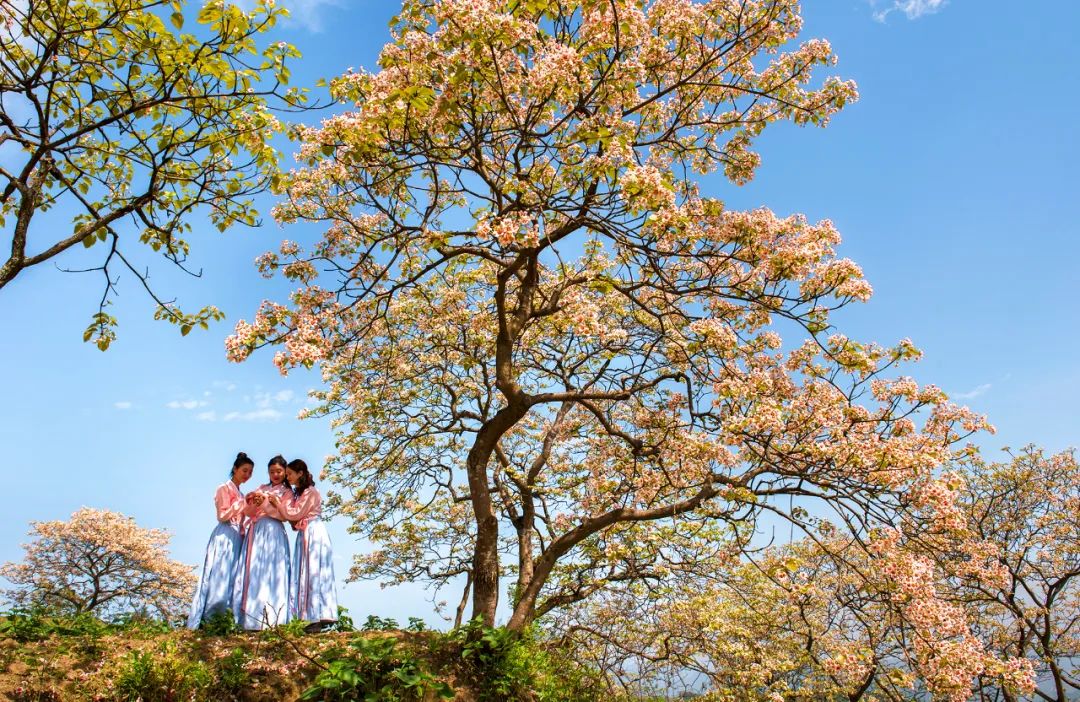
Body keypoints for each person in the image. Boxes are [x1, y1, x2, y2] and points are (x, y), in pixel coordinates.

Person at [267, 458, 338, 631]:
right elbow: (295, 517)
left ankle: (318, 614)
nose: (288, 477)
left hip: (313, 532)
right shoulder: (302, 493)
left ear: (300, 473)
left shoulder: (310, 492)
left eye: (290, 474)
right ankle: (310, 616)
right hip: (305, 532)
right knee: (307, 572)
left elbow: (294, 513)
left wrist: (278, 504)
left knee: (314, 571)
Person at [187, 452, 254, 629]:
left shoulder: (240, 492)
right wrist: (242, 504)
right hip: (225, 535)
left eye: (250, 472)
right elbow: (222, 515)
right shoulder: (224, 488)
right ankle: (211, 618)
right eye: (244, 470)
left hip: (238, 537)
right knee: (219, 575)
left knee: (233, 578)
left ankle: (226, 618)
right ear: (235, 469)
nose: (247, 475)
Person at [232, 455, 293, 629]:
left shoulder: (287, 492)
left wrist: (266, 503)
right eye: (272, 471)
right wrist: (255, 502)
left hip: (274, 531)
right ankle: (252, 619)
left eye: (279, 471)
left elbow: (284, 516)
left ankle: (274, 619)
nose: (275, 474)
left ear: (285, 472)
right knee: (256, 571)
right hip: (257, 530)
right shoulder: (261, 488)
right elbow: (250, 513)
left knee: (274, 571)